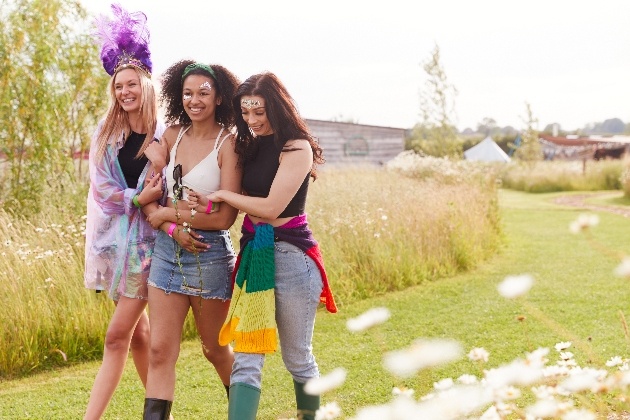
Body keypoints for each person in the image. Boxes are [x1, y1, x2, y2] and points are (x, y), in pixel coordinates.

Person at [190, 71, 338, 420]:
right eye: (246, 112)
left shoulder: (296, 147)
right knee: (246, 357)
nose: (253, 120)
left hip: (291, 259)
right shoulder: (248, 145)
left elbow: (272, 207)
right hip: (256, 257)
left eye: (260, 111)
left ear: (277, 106)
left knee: (297, 357)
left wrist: (225, 195)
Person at [139, 59, 242, 419]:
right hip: (167, 253)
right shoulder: (170, 136)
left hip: (209, 255)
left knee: (214, 350)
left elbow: (225, 218)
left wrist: (168, 214)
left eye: (203, 93)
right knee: (159, 350)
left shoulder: (228, 144)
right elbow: (148, 202)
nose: (194, 100)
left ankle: (244, 411)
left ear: (218, 98)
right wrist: (166, 222)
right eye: (187, 93)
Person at [83, 4, 165, 419]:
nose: (125, 92)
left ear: (146, 84)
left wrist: (149, 199)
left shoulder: (165, 132)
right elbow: (102, 190)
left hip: (154, 245)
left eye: (131, 84)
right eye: (119, 86)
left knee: (116, 337)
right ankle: (160, 413)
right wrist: (137, 197)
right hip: (119, 245)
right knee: (137, 336)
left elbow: (167, 187)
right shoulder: (108, 131)